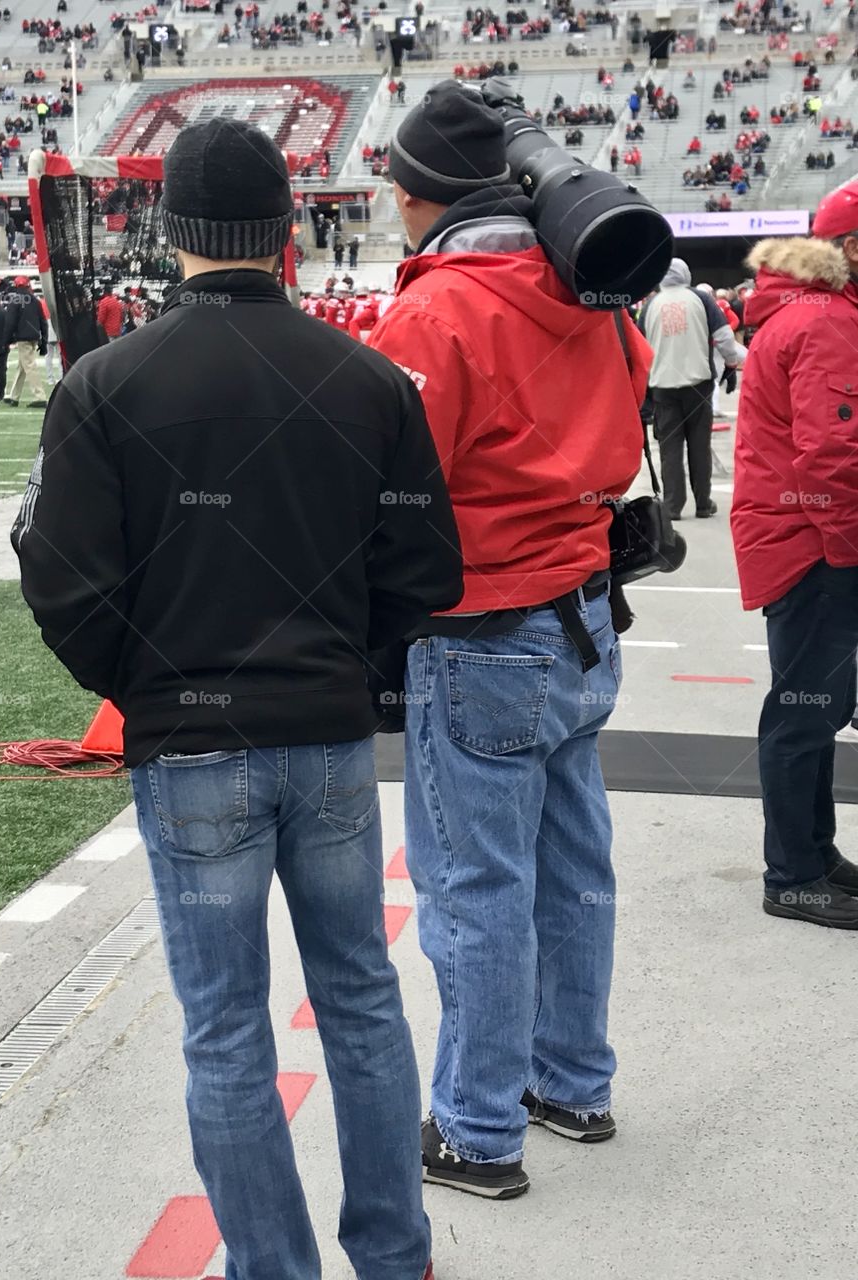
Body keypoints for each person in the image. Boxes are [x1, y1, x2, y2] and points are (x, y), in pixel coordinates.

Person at [12, 117, 462, 1280]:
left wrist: (147, 686)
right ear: (284, 229)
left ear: (169, 233)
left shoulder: (108, 382)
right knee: (359, 997)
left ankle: (275, 1263)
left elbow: (63, 582)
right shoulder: (368, 379)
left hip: (193, 743)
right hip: (319, 735)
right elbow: (425, 572)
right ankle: (394, 1251)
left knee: (226, 1029)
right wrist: (343, 666)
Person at [368, 80, 651, 1198]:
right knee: (574, 868)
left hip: (484, 630)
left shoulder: (435, 313)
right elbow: (626, 431)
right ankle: (571, 1079)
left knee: (475, 888)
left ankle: (477, 1128)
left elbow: (389, 488)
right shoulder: (594, 290)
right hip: (582, 613)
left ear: (413, 194)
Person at [731, 179, 858, 928]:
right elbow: (834, 456)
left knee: (815, 705)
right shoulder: (826, 321)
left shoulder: (810, 312)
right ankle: (793, 876)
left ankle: (813, 852)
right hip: (814, 544)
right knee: (803, 712)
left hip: (802, 537)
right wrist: (848, 554)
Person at [638, 259, 744, 519]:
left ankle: (673, 507)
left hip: (662, 387)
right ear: (686, 274)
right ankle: (703, 504)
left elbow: (640, 348)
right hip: (698, 385)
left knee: (669, 448)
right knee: (699, 445)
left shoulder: (651, 304)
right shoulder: (702, 299)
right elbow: (724, 337)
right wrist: (731, 364)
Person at [3, 275, 48, 407]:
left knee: (29, 366)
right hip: (34, 336)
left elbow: (10, 322)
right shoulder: (35, 300)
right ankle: (14, 396)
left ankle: (40, 396)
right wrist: (43, 341)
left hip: (23, 338)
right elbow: (43, 322)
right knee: (22, 366)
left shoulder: (15, 300)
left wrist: (6, 340)